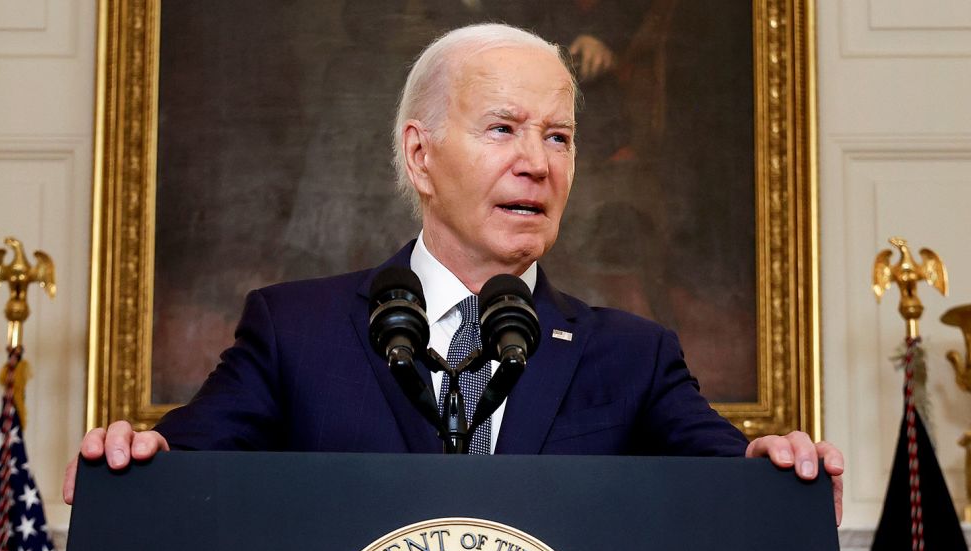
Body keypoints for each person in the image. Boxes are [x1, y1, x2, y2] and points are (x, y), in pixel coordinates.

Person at [64, 23, 844, 521]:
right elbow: (185, 467)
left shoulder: (632, 357)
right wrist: (142, 465)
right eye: (503, 129)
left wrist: (771, 468)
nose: (537, 164)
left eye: (560, 137)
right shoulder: (293, 334)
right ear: (421, 155)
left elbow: (728, 474)